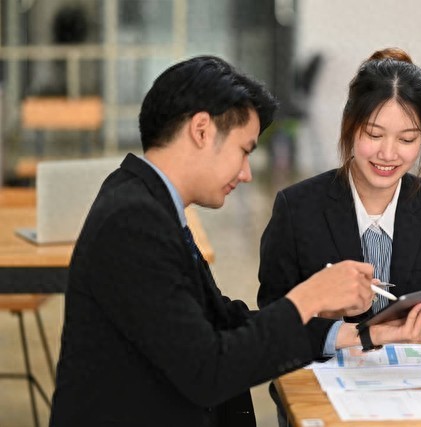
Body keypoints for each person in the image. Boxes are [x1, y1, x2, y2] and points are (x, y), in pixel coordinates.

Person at [48, 55, 383, 427]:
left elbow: (221, 320)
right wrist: (309, 298)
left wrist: (344, 332)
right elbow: (208, 371)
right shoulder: (134, 221)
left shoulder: (147, 199)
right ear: (202, 130)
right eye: (244, 151)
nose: (247, 173)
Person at [257, 48, 421, 419]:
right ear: (349, 126)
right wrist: (329, 314)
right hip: (327, 399)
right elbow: (273, 321)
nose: (388, 154)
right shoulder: (297, 209)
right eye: (374, 134)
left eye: (407, 139)